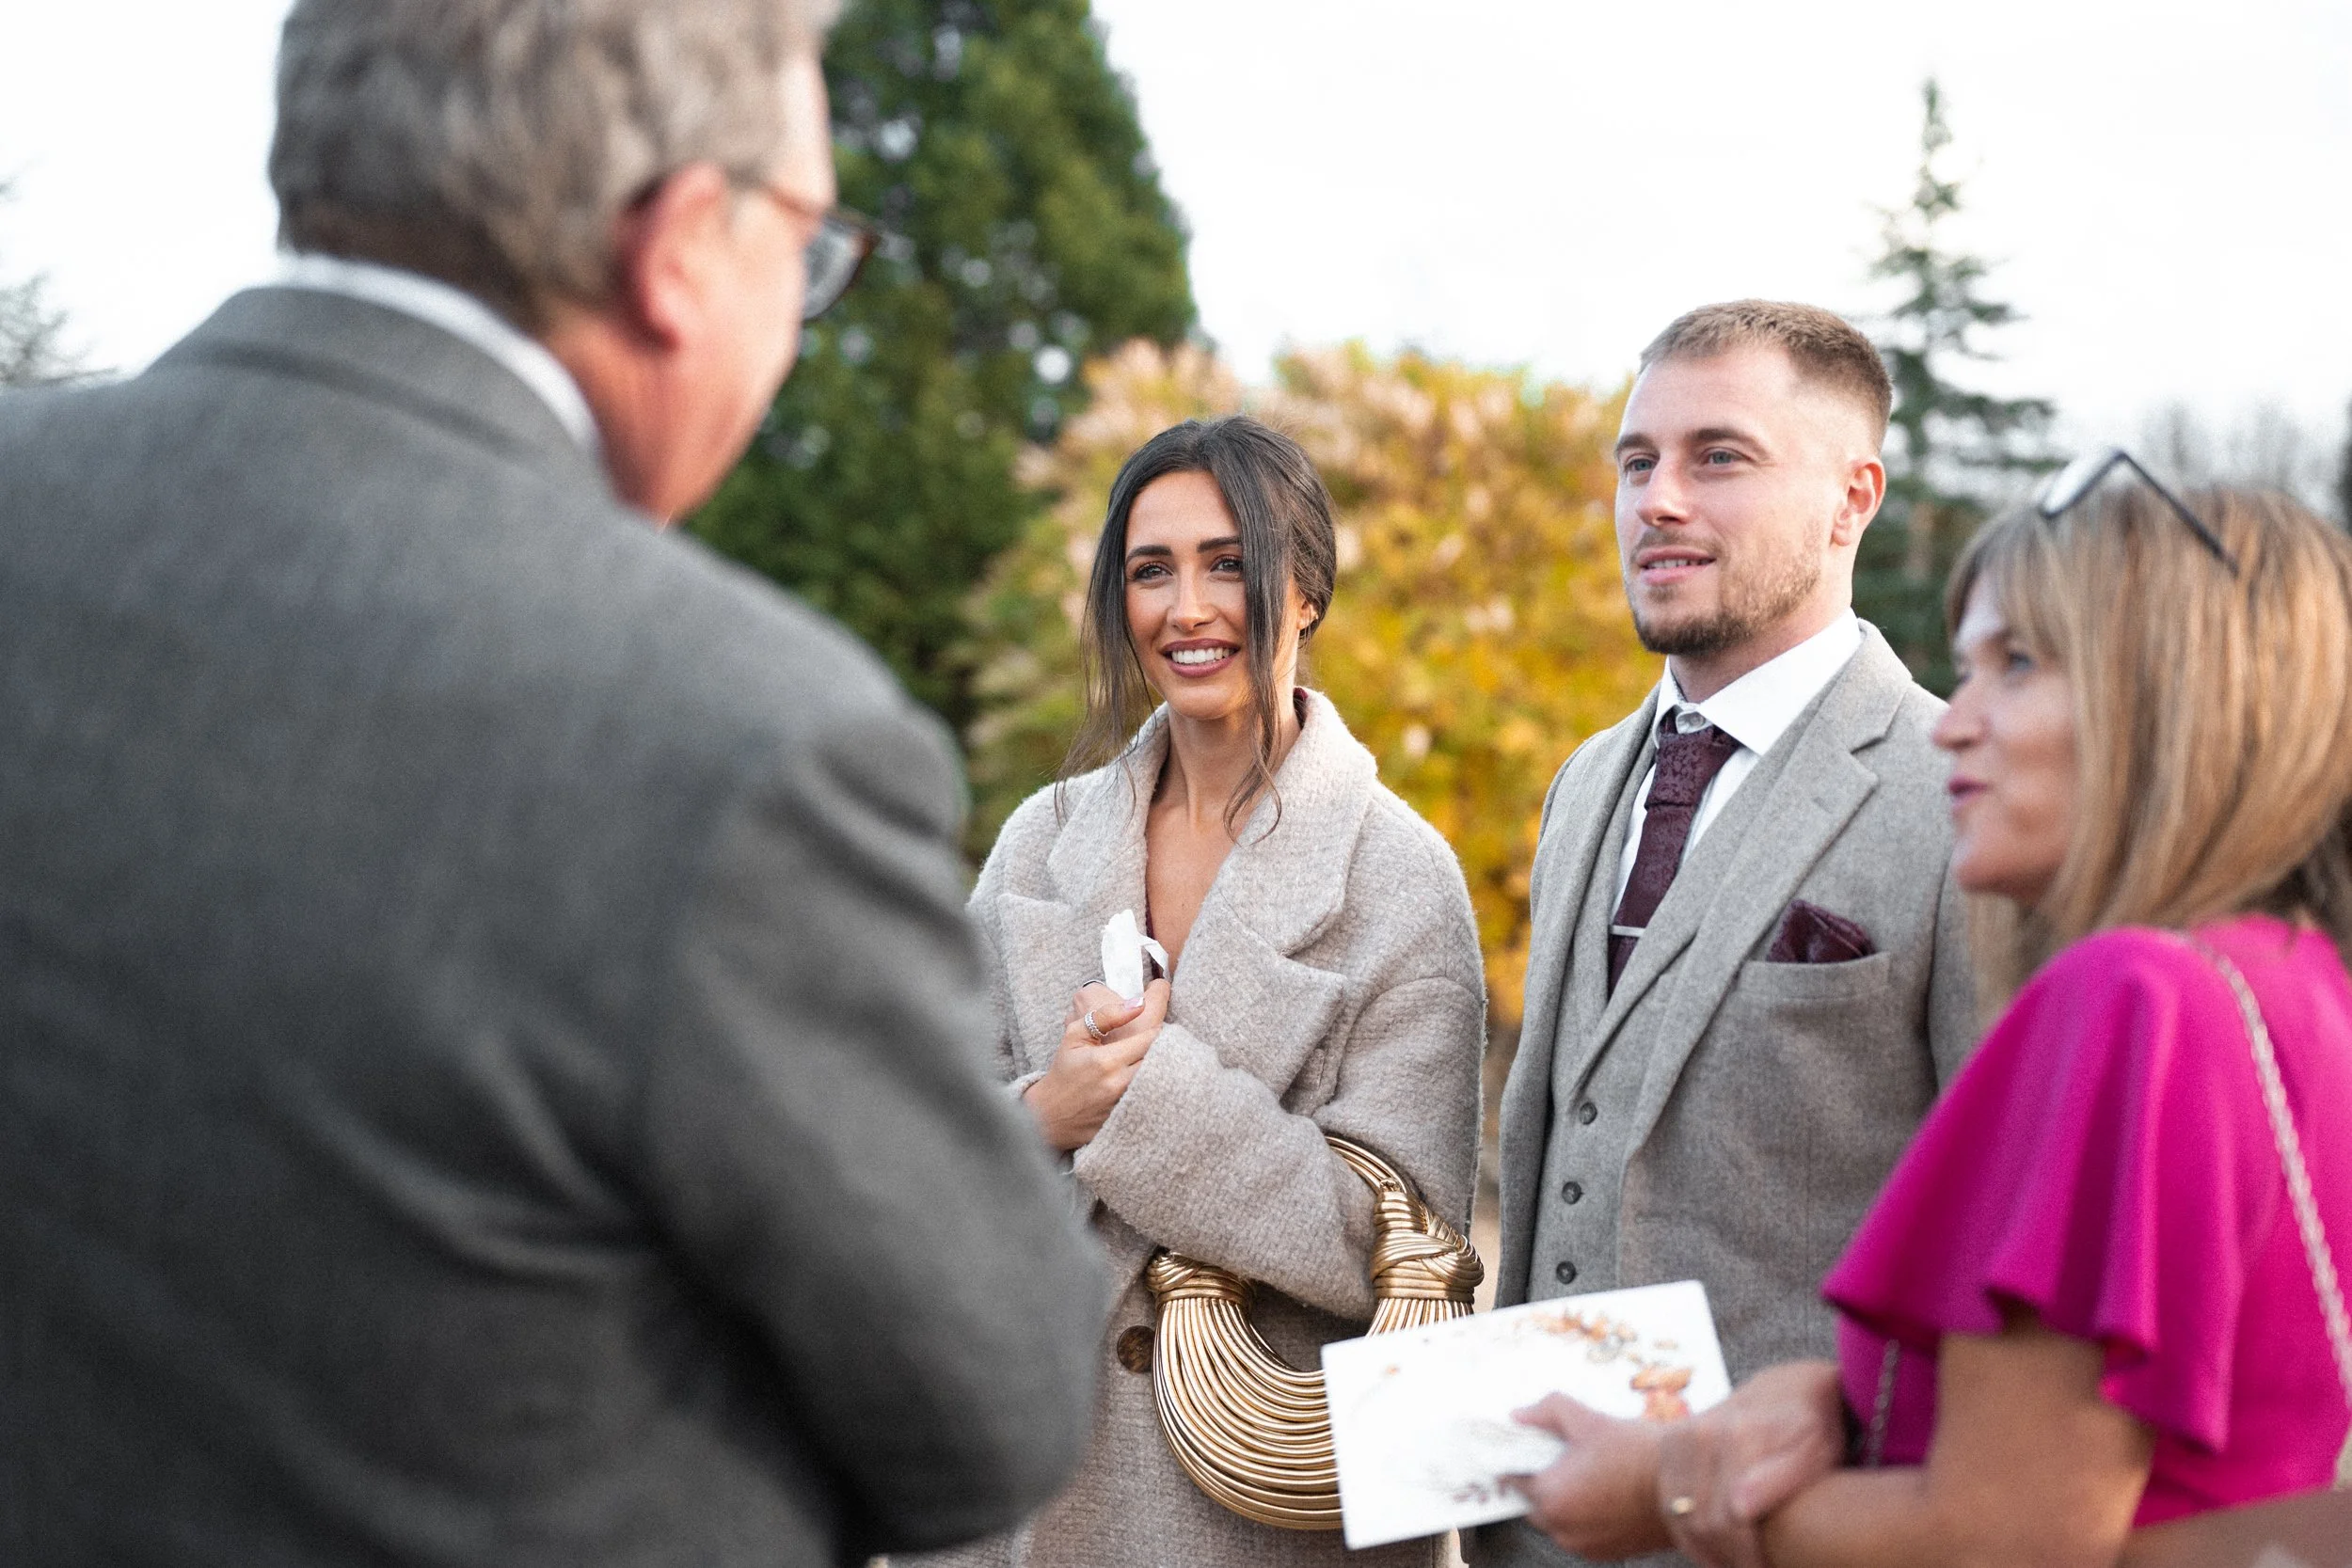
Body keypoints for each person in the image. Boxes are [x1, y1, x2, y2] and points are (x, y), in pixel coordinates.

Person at [0, 2, 1102, 1563]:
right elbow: (994, 1404)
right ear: (672, 252)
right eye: (803, 241)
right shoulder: (738, 736)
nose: (801, 312)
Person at [1633, 474, 2352, 1568]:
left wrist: (1659, 1490)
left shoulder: (2131, 999)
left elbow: (2004, 1538)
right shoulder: (2293, 981)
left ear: (2174, 692)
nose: (1953, 724)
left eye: (2016, 665)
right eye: (1964, 668)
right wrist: (1835, 1397)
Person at [914, 416, 1486, 1568]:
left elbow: (1396, 1250)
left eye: (1229, 563)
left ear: (1307, 590)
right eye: (1149, 570)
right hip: (1014, 1496)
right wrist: (1048, 1111)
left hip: (1259, 1513)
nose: (1187, 609)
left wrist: (1145, 1096)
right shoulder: (1040, 841)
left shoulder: (1397, 874)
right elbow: (912, 1144)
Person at [1477, 302, 1977, 1568]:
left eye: (1721, 457)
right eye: (1637, 460)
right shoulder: (1586, 781)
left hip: (1792, 1535)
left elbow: (1994, 1246)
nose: (1657, 499)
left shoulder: (1959, 793)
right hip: (1537, 1531)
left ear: (1851, 499)